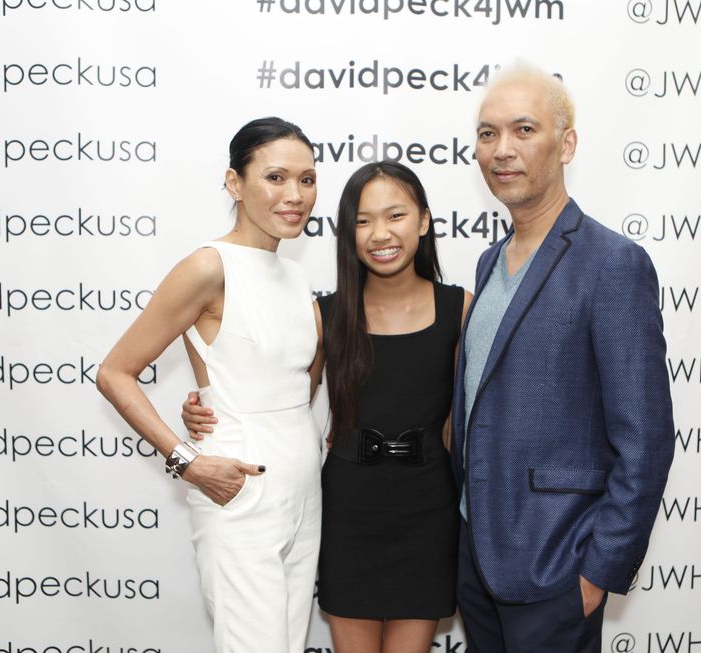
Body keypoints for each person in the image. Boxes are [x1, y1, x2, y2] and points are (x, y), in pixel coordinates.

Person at [185, 161, 471, 653]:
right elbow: (281, 396)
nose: (380, 233)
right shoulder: (326, 315)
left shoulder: (459, 308)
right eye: (362, 221)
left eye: (395, 215)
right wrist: (209, 403)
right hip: (349, 507)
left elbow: (470, 416)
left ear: (423, 221)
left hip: (429, 507)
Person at [450, 65, 675, 652]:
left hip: (556, 563)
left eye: (524, 129)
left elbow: (646, 436)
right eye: (487, 133)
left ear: (566, 142)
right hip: (478, 558)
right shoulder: (487, 262)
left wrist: (598, 571)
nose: (502, 150)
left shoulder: (612, 264)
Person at [96, 116, 324, 653]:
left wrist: (210, 400)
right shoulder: (208, 266)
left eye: (307, 179)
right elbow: (114, 372)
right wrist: (187, 460)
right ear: (234, 183)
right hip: (239, 479)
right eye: (276, 177)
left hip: (302, 482)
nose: (295, 195)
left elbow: (298, 380)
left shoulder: (295, 275)